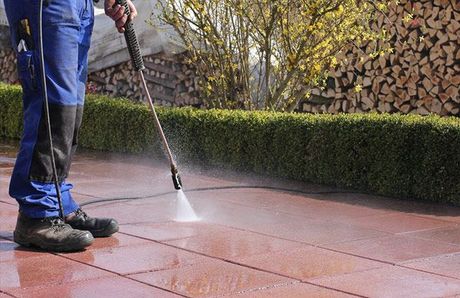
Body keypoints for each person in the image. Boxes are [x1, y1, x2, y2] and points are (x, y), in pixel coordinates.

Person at [3, 0, 137, 252]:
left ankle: (58, 202)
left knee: (71, 104)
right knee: (52, 103)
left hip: (78, 5)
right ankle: (37, 213)